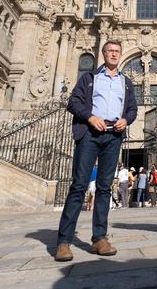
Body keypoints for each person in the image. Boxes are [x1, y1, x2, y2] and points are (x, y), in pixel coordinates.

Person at [54, 40, 138, 262]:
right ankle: (64, 241)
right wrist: (90, 117)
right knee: (79, 186)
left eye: (117, 51)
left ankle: (99, 238)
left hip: (113, 136)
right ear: (103, 54)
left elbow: (132, 108)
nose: (113, 54)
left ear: (120, 55)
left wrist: (126, 120)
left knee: (104, 188)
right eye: (110, 51)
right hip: (90, 133)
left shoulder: (126, 82)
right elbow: (73, 102)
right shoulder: (89, 78)